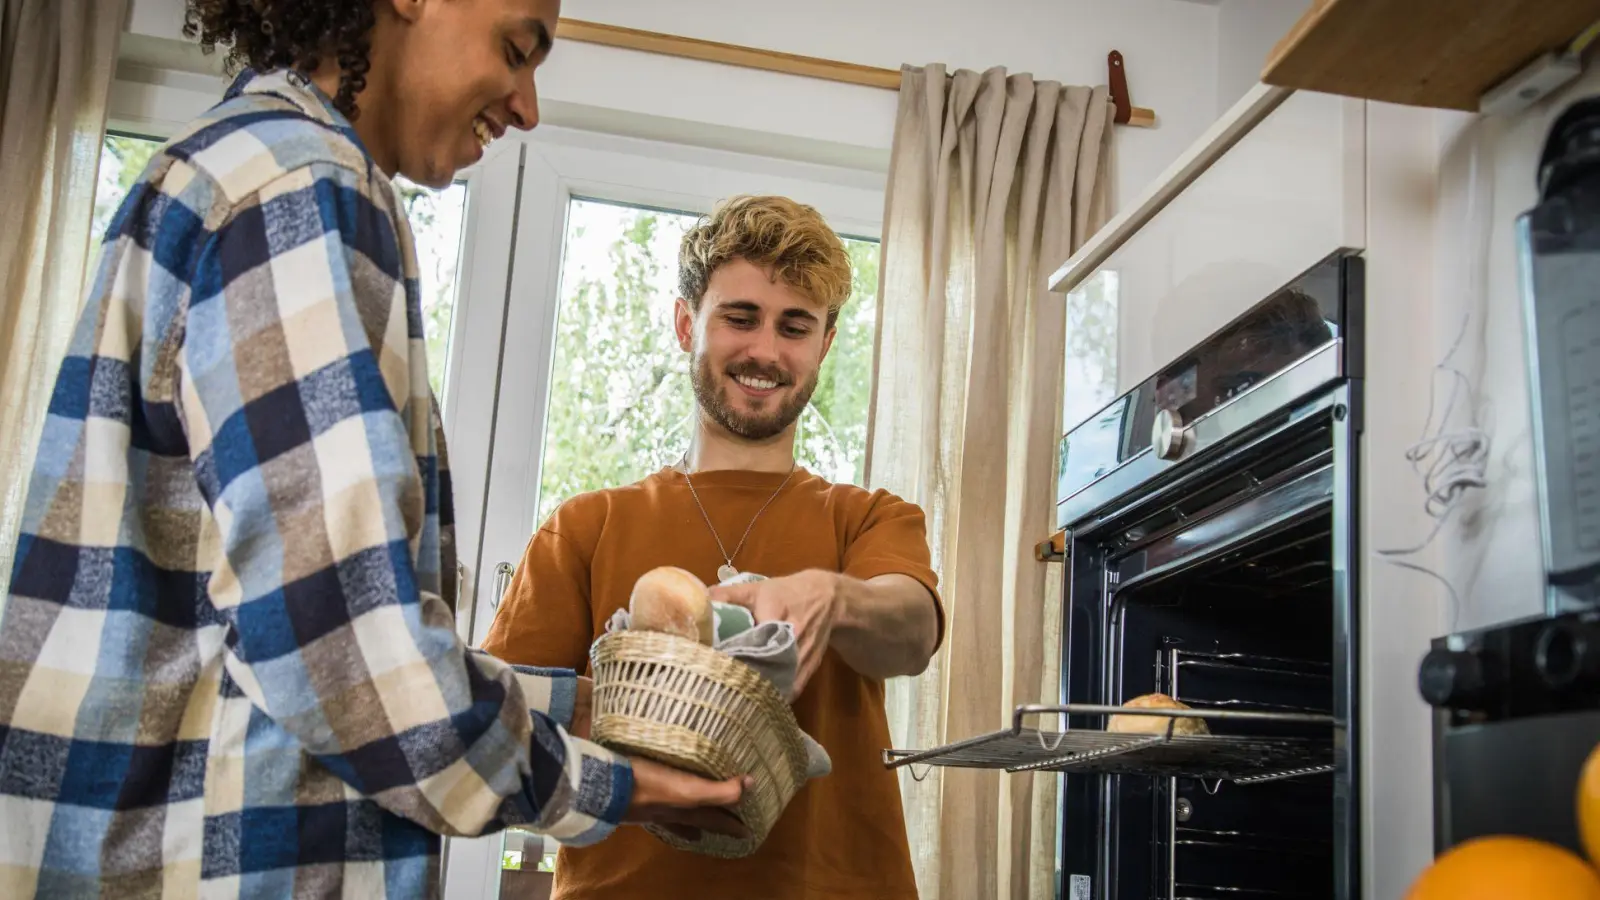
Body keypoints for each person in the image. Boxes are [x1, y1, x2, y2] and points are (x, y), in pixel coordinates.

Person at [0, 1, 748, 897]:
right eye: (518, 47)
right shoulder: (300, 186)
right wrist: (619, 789)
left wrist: (600, 707)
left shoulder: (237, 164)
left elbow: (280, 622)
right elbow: (342, 647)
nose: (528, 107)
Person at [482, 194, 945, 900]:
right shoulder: (583, 527)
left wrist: (832, 596)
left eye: (795, 326)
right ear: (684, 322)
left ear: (825, 342)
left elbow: (911, 632)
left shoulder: (867, 520)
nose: (764, 350)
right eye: (739, 317)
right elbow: (496, 734)